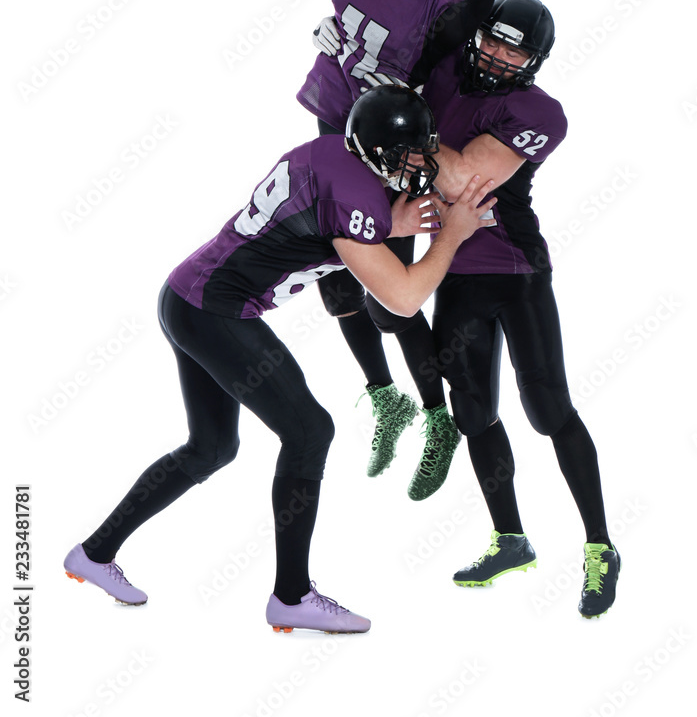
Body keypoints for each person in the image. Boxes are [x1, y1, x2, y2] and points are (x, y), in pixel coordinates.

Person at [63, 86, 497, 634]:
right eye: (409, 155)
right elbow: (404, 298)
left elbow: (326, 220)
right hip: (215, 311)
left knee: (212, 448)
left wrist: (393, 225)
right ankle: (292, 596)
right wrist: (451, 238)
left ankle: (94, 554)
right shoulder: (355, 199)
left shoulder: (330, 156)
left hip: (188, 296)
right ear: (379, 151)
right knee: (310, 431)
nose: (420, 165)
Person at [279, 0, 515, 499]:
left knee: (392, 298)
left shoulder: (440, 7)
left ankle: (437, 416)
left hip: (391, 145)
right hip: (330, 121)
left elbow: (475, 12)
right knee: (334, 279)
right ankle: (384, 396)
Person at [415, 0, 620, 619]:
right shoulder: (446, 69)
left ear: (535, 60)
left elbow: (461, 180)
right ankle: (510, 538)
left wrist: (405, 122)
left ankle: (601, 546)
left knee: (548, 409)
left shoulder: (539, 112)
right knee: (474, 412)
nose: (501, 56)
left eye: (516, 49)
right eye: (495, 40)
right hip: (455, 269)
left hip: (514, 270)